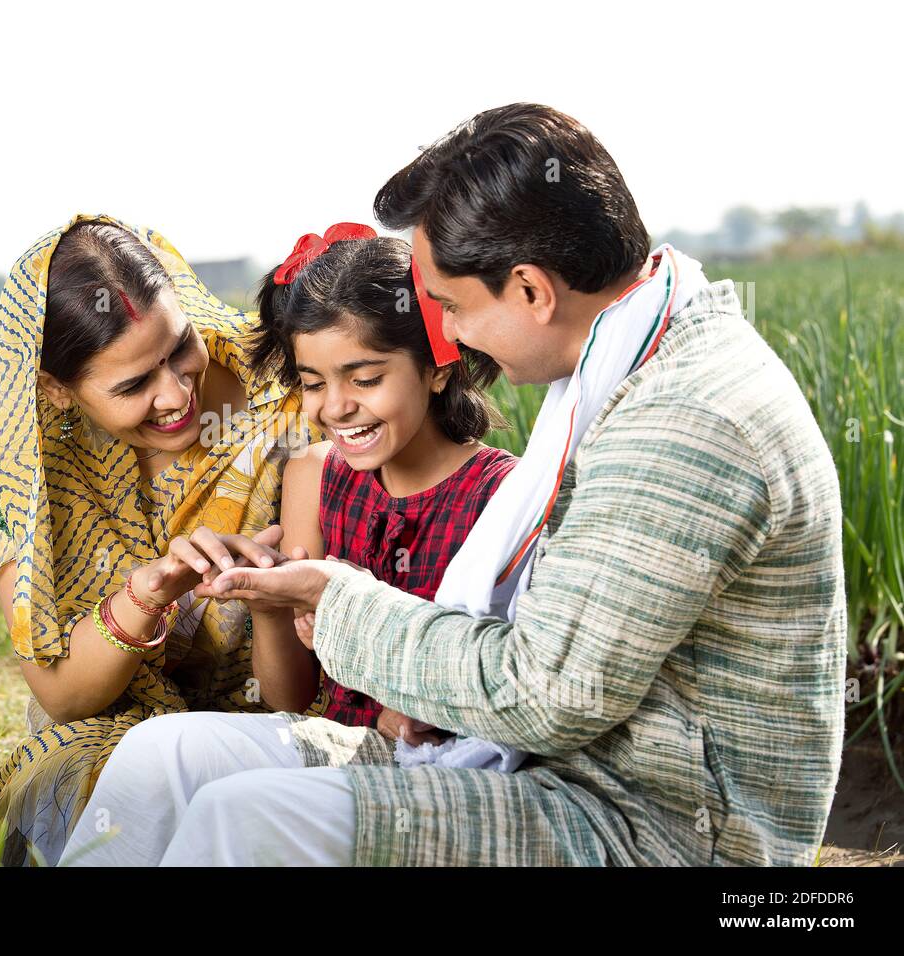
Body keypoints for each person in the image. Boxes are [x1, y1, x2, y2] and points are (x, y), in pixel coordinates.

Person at [61, 105, 846, 867]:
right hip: (543, 769)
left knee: (251, 819)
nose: (452, 334)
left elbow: (547, 692)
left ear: (532, 290)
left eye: (451, 308)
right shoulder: (630, 361)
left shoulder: (685, 420)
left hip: (650, 826)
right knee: (167, 755)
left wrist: (331, 599)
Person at [0, 213, 319, 865]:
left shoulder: (292, 402)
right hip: (110, 723)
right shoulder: (16, 470)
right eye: (133, 385)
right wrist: (145, 594)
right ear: (56, 391)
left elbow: (306, 684)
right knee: (105, 794)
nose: (176, 395)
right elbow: (62, 694)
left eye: (179, 350)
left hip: (280, 717)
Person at [243, 223, 516, 757]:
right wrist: (268, 605)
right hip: (333, 746)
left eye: (365, 379)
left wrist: (429, 704)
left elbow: (510, 676)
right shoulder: (315, 474)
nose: (335, 406)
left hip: (445, 771)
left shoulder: (501, 494)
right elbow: (290, 699)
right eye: (314, 383)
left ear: (437, 368)